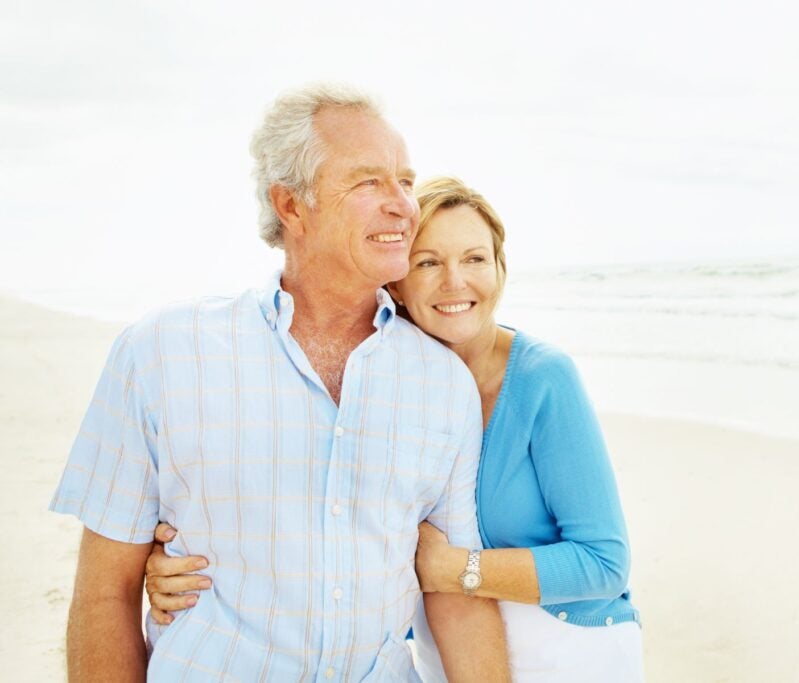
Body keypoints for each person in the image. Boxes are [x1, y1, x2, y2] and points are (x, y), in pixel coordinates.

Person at [49, 85, 510, 682]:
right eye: (369, 182)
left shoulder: (443, 381)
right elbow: (104, 595)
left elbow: (451, 591)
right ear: (291, 206)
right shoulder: (160, 352)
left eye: (404, 180)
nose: (403, 205)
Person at [147, 177, 644, 681]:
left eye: (475, 259)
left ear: (499, 269)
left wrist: (452, 569)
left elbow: (604, 563)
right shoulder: (382, 382)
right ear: (396, 281)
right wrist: (180, 561)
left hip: (568, 650)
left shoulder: (542, 378)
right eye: (429, 262)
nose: (456, 283)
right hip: (446, 657)